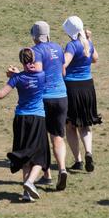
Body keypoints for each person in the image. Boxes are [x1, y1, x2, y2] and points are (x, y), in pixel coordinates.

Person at [0, 47, 49, 201]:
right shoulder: (42, 75)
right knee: (41, 156)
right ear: (34, 59)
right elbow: (35, 73)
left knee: (24, 155)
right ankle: (30, 182)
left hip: (21, 119)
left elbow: (1, 95)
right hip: (37, 118)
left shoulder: (17, 78)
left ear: (21, 61)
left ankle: (26, 193)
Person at [30, 21, 70, 190]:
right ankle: (62, 168)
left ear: (34, 36)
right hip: (61, 96)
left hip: (44, 98)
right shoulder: (58, 48)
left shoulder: (36, 51)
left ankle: (46, 175)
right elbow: (63, 72)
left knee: (41, 137)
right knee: (58, 136)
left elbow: (38, 71)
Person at [61, 16, 101, 174]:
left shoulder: (72, 45)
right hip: (88, 86)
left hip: (72, 87)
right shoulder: (88, 43)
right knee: (85, 124)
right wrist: (89, 39)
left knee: (70, 125)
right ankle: (89, 152)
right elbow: (95, 58)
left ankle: (78, 160)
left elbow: (64, 64)